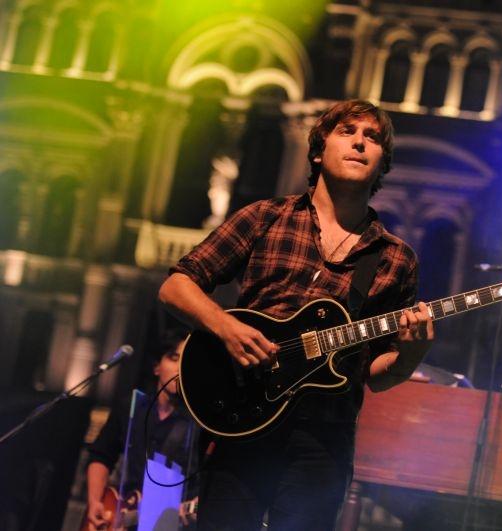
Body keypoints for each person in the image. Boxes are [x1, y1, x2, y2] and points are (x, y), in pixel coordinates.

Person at [158, 99, 433, 530]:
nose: (360, 142)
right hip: (242, 417)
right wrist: (227, 328)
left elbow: (375, 375)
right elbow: (176, 286)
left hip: (322, 442)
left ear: (382, 164)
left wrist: (410, 356)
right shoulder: (265, 218)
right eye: (347, 131)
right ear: (319, 151)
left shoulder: (396, 259)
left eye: (373, 137)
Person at [85, 329, 196, 530]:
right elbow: (101, 455)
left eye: (187, 362)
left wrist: (192, 507)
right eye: (174, 358)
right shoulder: (132, 407)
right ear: (157, 367)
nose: (180, 368)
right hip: (120, 514)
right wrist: (95, 501)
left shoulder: (197, 425)